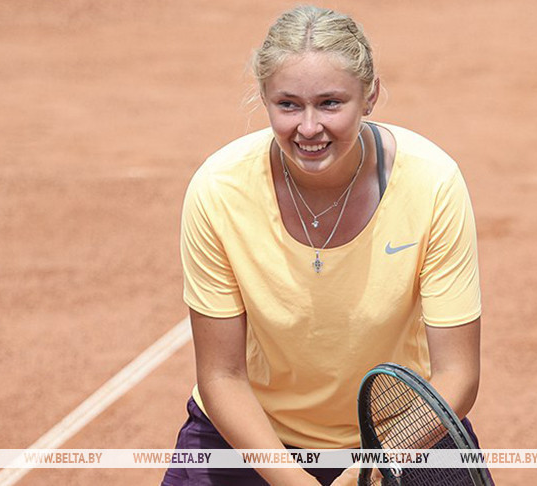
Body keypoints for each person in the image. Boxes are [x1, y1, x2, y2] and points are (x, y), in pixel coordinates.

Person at [162, 5, 485, 485]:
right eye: (288, 104)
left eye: (330, 103)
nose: (308, 128)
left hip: (400, 436)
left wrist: (369, 470)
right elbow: (222, 377)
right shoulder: (219, 190)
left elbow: (457, 374)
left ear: (370, 95)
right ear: (264, 97)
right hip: (253, 438)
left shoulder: (432, 183)